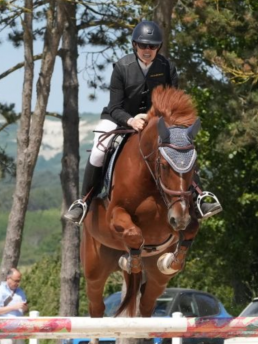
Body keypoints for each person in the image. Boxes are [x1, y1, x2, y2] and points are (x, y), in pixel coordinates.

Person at [64, 20, 222, 225]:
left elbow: (172, 104)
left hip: (155, 122)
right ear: (134, 45)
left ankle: (200, 197)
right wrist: (130, 120)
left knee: (182, 144)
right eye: (143, 45)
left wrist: (149, 119)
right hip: (119, 119)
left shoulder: (167, 67)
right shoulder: (122, 67)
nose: (148, 50)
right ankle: (84, 201)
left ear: (158, 47)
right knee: (99, 149)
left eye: (153, 46)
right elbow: (114, 106)